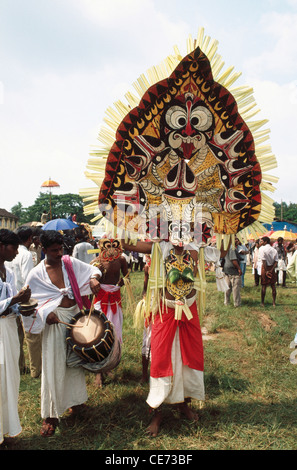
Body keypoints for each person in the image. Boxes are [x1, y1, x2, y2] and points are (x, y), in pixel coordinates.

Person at [121, 235, 224, 437]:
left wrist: (230, 228)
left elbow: (222, 252)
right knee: (160, 361)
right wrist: (123, 215)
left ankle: (184, 404)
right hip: (164, 312)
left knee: (189, 361)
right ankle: (157, 413)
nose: (179, 230)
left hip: (189, 312)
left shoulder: (197, 248)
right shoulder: (160, 247)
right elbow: (126, 243)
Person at [25, 230, 102, 437]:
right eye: (54, 251)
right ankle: (50, 415)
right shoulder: (36, 274)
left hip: (75, 318)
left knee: (74, 363)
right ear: (43, 249)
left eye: (61, 249)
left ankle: (76, 403)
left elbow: (94, 271)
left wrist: (94, 279)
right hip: (55, 322)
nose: (59, 254)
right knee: (54, 365)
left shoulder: (69, 263)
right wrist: (44, 313)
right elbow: (28, 304)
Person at [0, 229, 31, 445]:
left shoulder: (8, 272)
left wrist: (23, 306)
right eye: (14, 247)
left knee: (10, 379)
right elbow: (7, 301)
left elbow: (11, 303)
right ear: (1, 246)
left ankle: (6, 429)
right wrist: (14, 300)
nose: (17, 252)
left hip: (9, 329)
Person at [91, 238, 129, 387]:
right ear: (102, 246)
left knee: (113, 331)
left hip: (115, 298)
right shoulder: (97, 261)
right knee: (99, 332)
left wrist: (122, 282)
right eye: (108, 245)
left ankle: (108, 366)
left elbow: (126, 276)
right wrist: (96, 272)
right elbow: (91, 279)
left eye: (115, 245)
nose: (111, 248)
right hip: (101, 298)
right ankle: (98, 372)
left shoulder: (121, 259)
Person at [6, 226, 42, 378]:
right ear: (29, 239)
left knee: (16, 337)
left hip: (10, 299)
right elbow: (28, 278)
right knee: (31, 336)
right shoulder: (26, 254)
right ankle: (35, 370)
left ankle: (19, 366)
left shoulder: (8, 253)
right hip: (22, 299)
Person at [259, 237, 278, 307]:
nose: (261, 243)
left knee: (264, 285)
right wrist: (271, 269)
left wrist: (266, 270)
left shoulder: (262, 249)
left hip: (265, 267)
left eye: (262, 241)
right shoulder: (274, 250)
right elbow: (276, 261)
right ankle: (274, 303)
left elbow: (263, 260)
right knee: (273, 285)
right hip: (272, 268)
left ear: (265, 241)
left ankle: (262, 303)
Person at [223, 241, 242, 307]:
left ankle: (226, 302)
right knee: (235, 288)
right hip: (233, 270)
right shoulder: (232, 248)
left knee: (227, 287)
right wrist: (239, 269)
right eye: (236, 239)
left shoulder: (226, 246)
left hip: (226, 269)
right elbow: (233, 260)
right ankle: (237, 304)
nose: (237, 240)